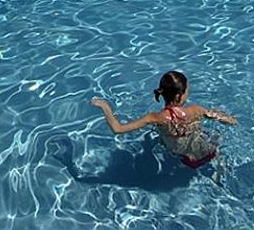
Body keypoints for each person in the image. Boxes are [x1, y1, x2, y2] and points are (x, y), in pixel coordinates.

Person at [90, 70, 237, 169]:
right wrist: (231, 119)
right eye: (187, 90)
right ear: (180, 95)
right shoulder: (196, 110)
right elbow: (224, 119)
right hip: (208, 152)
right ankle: (220, 167)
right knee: (211, 135)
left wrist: (105, 107)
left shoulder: (156, 117)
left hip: (185, 161)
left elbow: (117, 129)